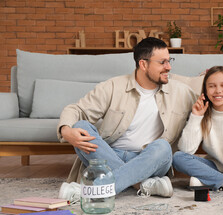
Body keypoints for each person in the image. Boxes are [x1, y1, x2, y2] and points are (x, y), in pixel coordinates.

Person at [57, 37, 197, 201]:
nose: (169, 67)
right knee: (81, 126)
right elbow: (76, 109)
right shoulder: (113, 86)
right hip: (109, 155)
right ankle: (142, 184)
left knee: (162, 147)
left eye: (169, 60)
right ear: (143, 64)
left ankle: (92, 191)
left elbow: (212, 93)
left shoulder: (181, 91)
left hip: (149, 159)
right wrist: (66, 131)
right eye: (162, 62)